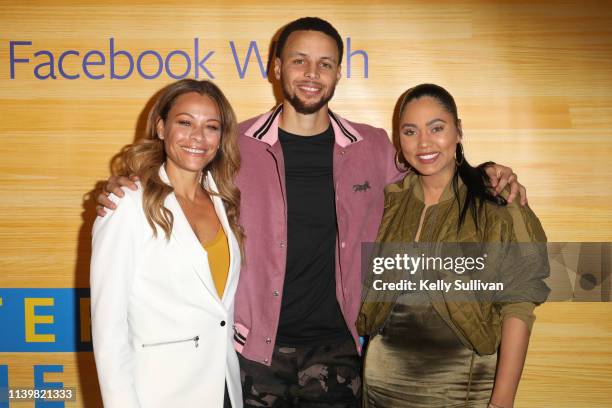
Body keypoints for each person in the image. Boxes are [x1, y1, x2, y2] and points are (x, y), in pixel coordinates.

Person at [96, 18, 527, 407]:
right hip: (253, 355)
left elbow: (430, 164)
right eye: (299, 61)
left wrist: (487, 173)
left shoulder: (372, 146)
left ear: (338, 72)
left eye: (325, 64)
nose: (311, 74)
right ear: (277, 67)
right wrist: (128, 182)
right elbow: (184, 167)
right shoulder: (236, 145)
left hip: (337, 352)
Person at [357, 83, 550, 408]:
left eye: (437, 128)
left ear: (458, 130)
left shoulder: (498, 202)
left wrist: (502, 400)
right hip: (380, 386)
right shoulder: (389, 201)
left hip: (461, 387)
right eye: (410, 131)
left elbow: (519, 303)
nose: (424, 143)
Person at [90, 79, 243, 408]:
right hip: (160, 392)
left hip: (223, 387)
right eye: (185, 122)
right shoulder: (127, 203)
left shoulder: (222, 199)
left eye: (211, 127)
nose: (198, 137)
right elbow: (108, 328)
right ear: (161, 127)